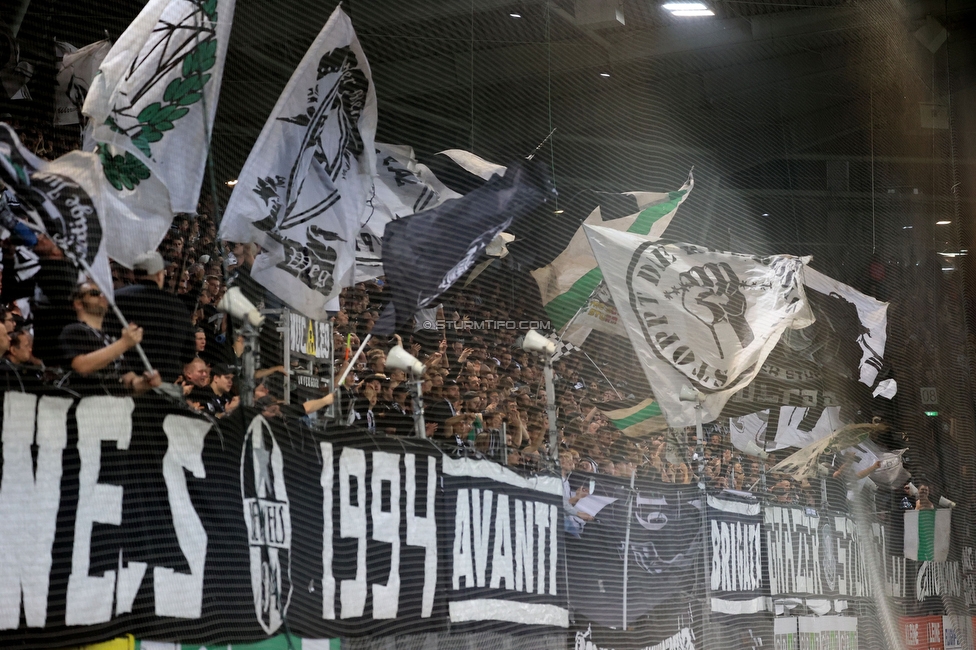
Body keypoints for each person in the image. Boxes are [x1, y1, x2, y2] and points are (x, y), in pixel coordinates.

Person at [107, 251, 195, 383]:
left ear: (135, 274)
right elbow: (188, 354)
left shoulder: (116, 298)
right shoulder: (178, 306)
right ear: (160, 275)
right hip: (161, 387)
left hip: (123, 383)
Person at [59, 281, 160, 394]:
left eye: (104, 293)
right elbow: (81, 366)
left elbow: (129, 380)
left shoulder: (110, 339)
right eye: (94, 293)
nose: (102, 296)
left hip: (113, 406)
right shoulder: (73, 330)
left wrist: (146, 382)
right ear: (78, 304)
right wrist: (124, 343)